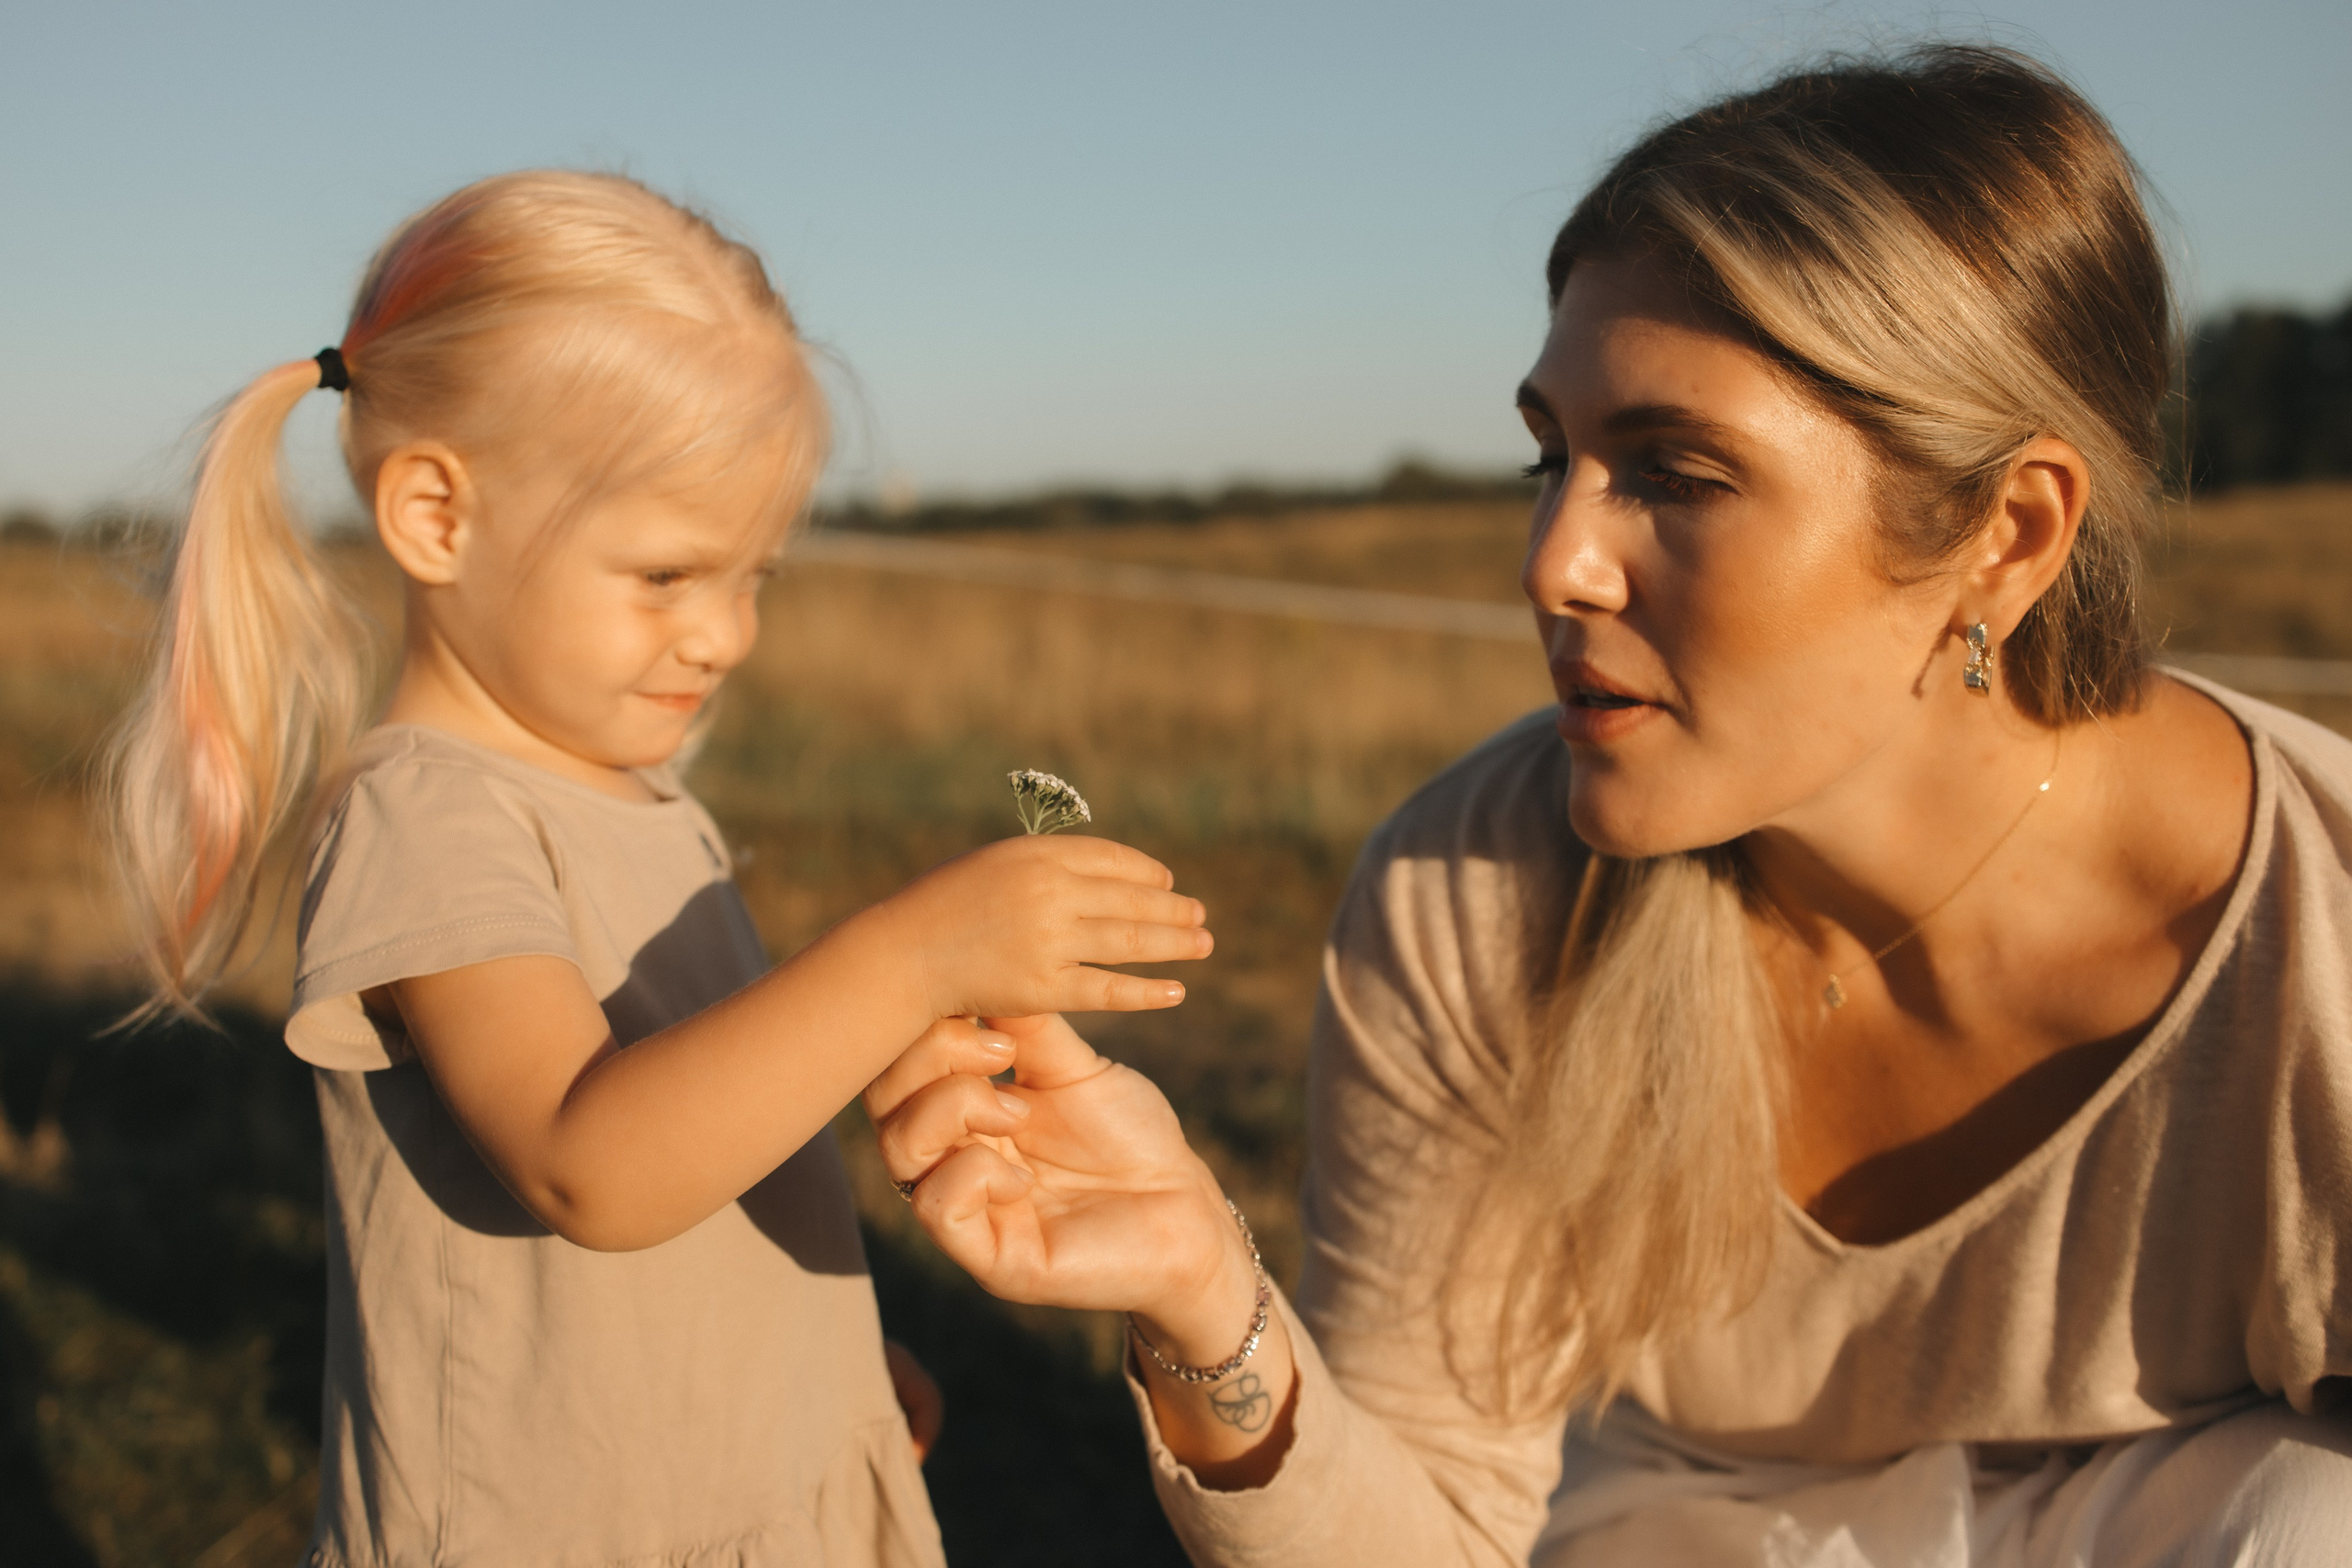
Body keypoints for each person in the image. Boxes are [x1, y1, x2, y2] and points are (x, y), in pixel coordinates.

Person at [867, 47, 2352, 1565]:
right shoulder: (1473, 889)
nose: (1552, 564)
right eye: (1552, 457)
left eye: (1678, 474)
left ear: (2008, 534)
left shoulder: (2322, 941)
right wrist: (1206, 1298)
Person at [101, 170, 1213, 1567]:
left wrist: (820, 1349)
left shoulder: (633, 791)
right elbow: (593, 1163)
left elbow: (709, 1132)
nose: (726, 635)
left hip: (734, 1477)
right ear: (437, 516)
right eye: (668, 576)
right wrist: (911, 956)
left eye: (756, 577)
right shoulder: (428, 818)